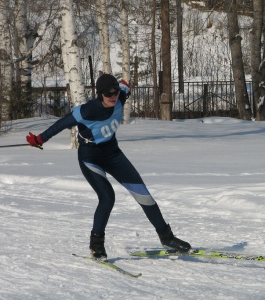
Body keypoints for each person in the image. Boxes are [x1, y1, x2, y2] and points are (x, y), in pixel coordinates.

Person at [26, 74, 191, 260]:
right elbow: (62, 123)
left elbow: (125, 87)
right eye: (108, 94)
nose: (113, 96)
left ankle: (167, 238)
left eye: (115, 92)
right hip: (90, 157)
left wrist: (125, 85)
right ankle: (96, 245)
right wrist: (40, 139)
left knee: (144, 195)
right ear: (100, 94)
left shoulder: (120, 95)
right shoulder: (88, 110)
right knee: (107, 197)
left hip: (113, 153)